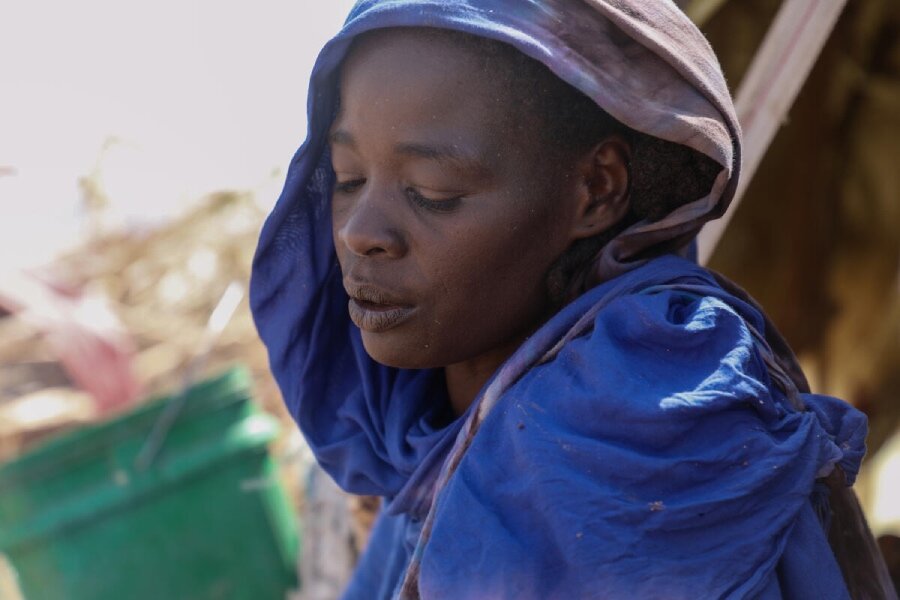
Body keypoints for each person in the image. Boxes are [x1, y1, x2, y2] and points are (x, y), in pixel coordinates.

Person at [250, 1, 893, 598]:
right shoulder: (427, 428)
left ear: (597, 188)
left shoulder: (638, 404)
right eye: (347, 178)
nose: (361, 231)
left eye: (432, 188)